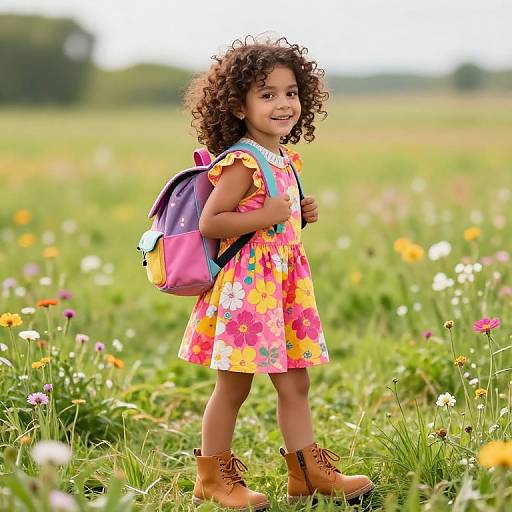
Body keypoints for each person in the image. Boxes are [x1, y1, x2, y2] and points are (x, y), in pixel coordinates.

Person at [178, 36, 374, 510]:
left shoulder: (282, 157)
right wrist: (265, 217)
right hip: (248, 292)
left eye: (291, 92)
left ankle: (307, 474)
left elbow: (272, 214)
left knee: (296, 382)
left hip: (283, 287)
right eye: (267, 95)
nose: (283, 103)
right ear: (239, 105)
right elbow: (214, 222)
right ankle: (212, 476)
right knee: (233, 385)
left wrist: (297, 213)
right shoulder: (243, 161)